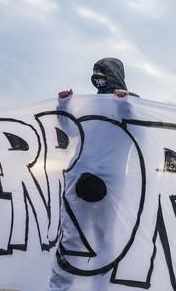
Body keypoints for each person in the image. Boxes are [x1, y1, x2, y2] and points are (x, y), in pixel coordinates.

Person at [51, 57, 138, 291]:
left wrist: (124, 104)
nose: (97, 76)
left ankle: (101, 288)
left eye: (102, 71)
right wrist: (64, 105)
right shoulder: (89, 104)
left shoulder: (132, 103)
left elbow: (139, 131)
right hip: (79, 176)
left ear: (114, 73)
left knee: (105, 239)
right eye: (94, 72)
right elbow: (70, 128)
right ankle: (59, 288)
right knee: (70, 237)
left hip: (111, 183)